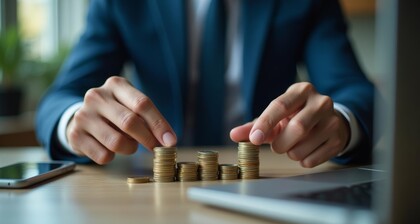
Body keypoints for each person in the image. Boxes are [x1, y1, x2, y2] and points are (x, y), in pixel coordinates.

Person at [36, 0, 374, 168]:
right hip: (156, 188)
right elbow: (59, 99)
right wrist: (75, 121)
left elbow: (357, 92)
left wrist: (341, 122)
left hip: (269, 179)